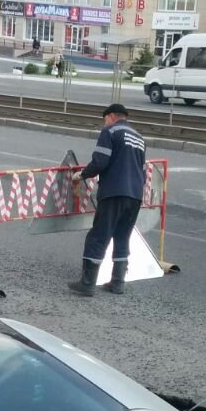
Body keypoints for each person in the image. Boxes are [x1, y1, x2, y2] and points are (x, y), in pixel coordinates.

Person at [70, 103, 147, 296]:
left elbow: (100, 162)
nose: (104, 123)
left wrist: (82, 175)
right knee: (122, 236)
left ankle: (87, 284)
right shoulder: (139, 138)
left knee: (98, 236)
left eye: (105, 119)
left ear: (111, 116)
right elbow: (142, 170)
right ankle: (118, 282)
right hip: (135, 194)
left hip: (114, 192)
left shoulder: (110, 132)